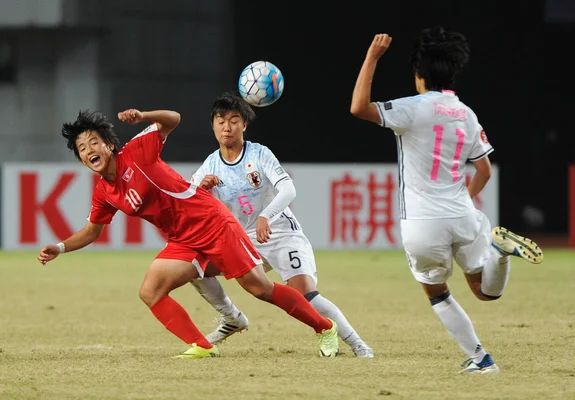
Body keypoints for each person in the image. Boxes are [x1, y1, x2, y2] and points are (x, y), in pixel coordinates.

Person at [37, 108, 340, 359]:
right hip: (183, 240)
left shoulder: (137, 152)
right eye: (82, 148)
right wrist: (60, 247)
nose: (89, 150)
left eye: (94, 142)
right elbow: (92, 231)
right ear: (80, 160)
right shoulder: (105, 192)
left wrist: (144, 116)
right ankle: (202, 346)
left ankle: (325, 327)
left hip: (213, 224)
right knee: (150, 291)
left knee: (260, 288)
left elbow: (173, 119)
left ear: (109, 144)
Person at [349, 27, 544, 373]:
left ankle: (483, 360)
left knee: (437, 292)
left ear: (419, 75)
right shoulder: (465, 113)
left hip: (423, 223)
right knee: (486, 292)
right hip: (463, 216)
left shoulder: (411, 109)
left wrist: (372, 57)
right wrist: (464, 200)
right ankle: (499, 253)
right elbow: (484, 171)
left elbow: (358, 108)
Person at [188, 92, 374, 358]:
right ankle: (232, 318)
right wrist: (201, 189)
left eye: (234, 120)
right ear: (213, 125)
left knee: (308, 296)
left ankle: (357, 344)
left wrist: (266, 216)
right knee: (196, 267)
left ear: (244, 125)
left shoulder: (259, 153)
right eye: (220, 121)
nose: (226, 127)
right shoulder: (211, 164)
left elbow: (288, 189)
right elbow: (188, 199)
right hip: (242, 239)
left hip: (280, 232)